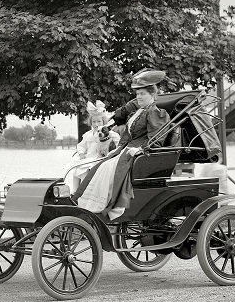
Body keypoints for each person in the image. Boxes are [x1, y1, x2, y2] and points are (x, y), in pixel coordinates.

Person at [72, 69, 176, 220]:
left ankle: (103, 207)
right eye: (137, 94)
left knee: (109, 167)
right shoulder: (138, 112)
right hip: (126, 149)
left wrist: (141, 149)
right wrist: (118, 149)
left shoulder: (156, 112)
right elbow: (126, 134)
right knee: (100, 165)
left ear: (152, 94)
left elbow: (156, 139)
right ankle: (86, 205)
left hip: (137, 151)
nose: (139, 97)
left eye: (142, 94)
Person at [64, 99, 120, 195]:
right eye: (94, 122)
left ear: (103, 122)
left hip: (99, 158)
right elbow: (81, 146)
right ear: (91, 122)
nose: (96, 124)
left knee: (86, 170)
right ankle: (75, 192)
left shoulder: (108, 133)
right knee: (76, 169)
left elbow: (118, 141)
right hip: (88, 158)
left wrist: (113, 152)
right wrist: (81, 154)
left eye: (99, 121)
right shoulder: (88, 134)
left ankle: (87, 192)